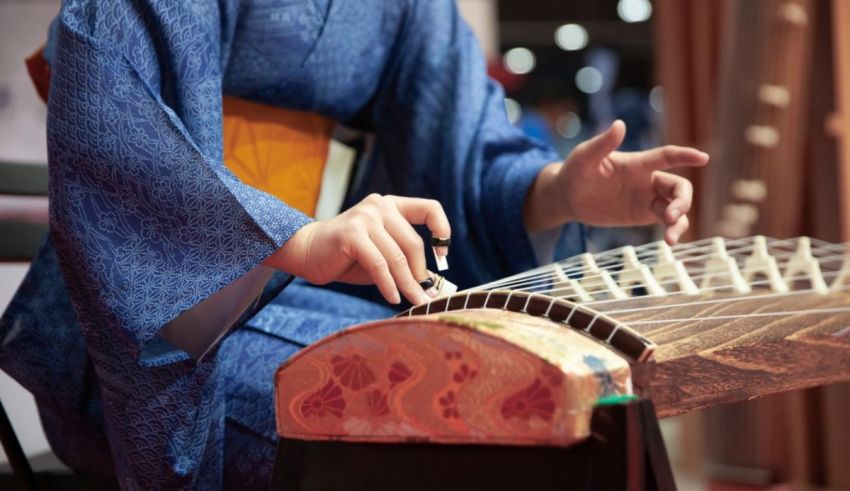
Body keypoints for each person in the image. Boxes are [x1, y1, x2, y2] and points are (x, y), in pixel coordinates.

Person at [0, 0, 708, 489]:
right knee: (463, 429)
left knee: (538, 397)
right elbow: (119, 141)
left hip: (300, 299)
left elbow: (462, 153)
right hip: (160, 328)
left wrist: (561, 191)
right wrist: (296, 236)